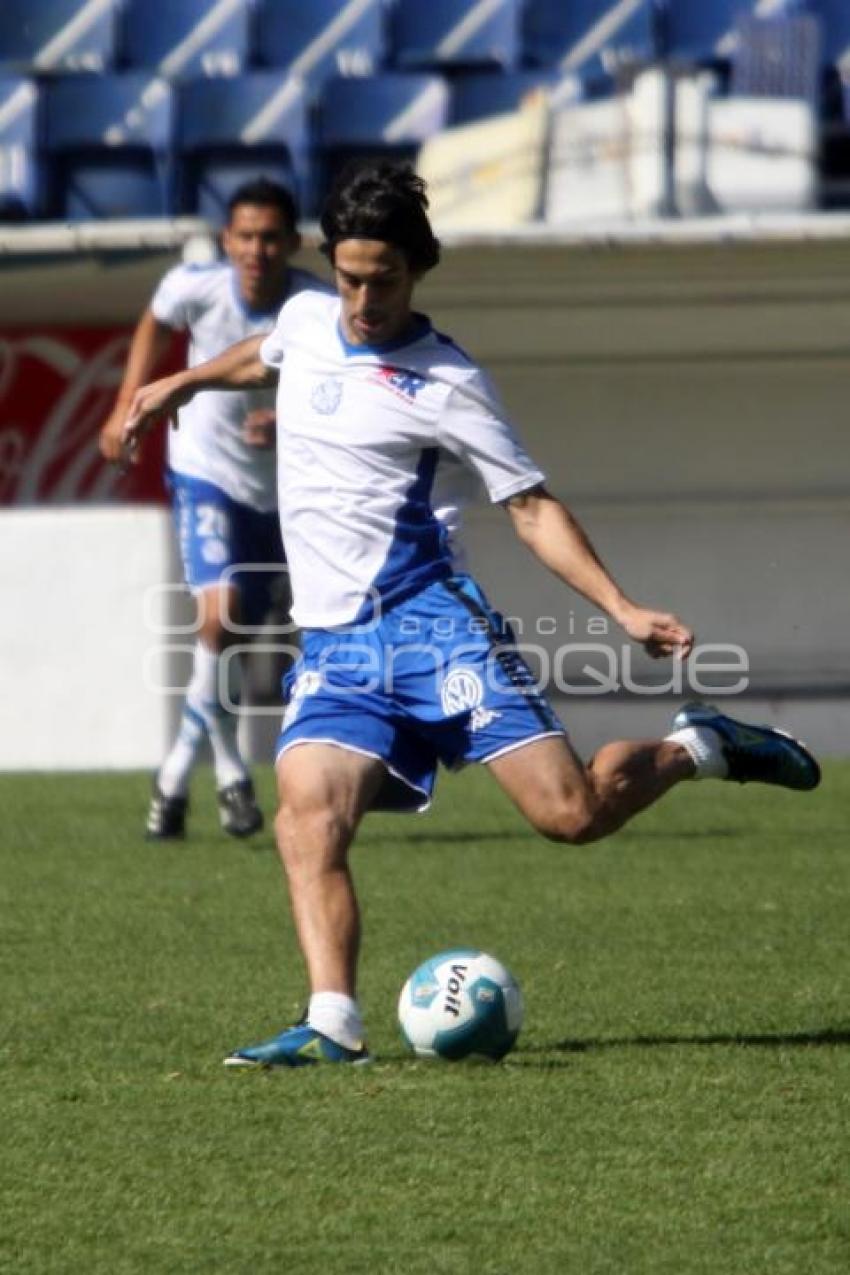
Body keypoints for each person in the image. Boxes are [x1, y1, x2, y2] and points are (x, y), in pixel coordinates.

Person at [119, 162, 820, 1067]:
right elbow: (266, 354)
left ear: (420, 269)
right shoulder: (302, 319)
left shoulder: (447, 379)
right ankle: (333, 1019)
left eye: (385, 281)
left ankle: (699, 746)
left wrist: (621, 607)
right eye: (349, 277)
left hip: (432, 623)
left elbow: (530, 506)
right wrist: (185, 384)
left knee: (569, 814)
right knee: (305, 815)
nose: (364, 300)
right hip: (336, 643)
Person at [101, 178, 328, 841]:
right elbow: (155, 320)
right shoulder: (193, 286)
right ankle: (198, 775)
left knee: (232, 642)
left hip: (283, 490)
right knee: (220, 616)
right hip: (205, 473)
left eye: (269, 237)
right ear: (227, 240)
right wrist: (125, 403)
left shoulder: (314, 306)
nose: (256, 249)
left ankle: (196, 774)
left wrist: (286, 423)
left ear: (292, 242)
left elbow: (339, 388)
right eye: (245, 236)